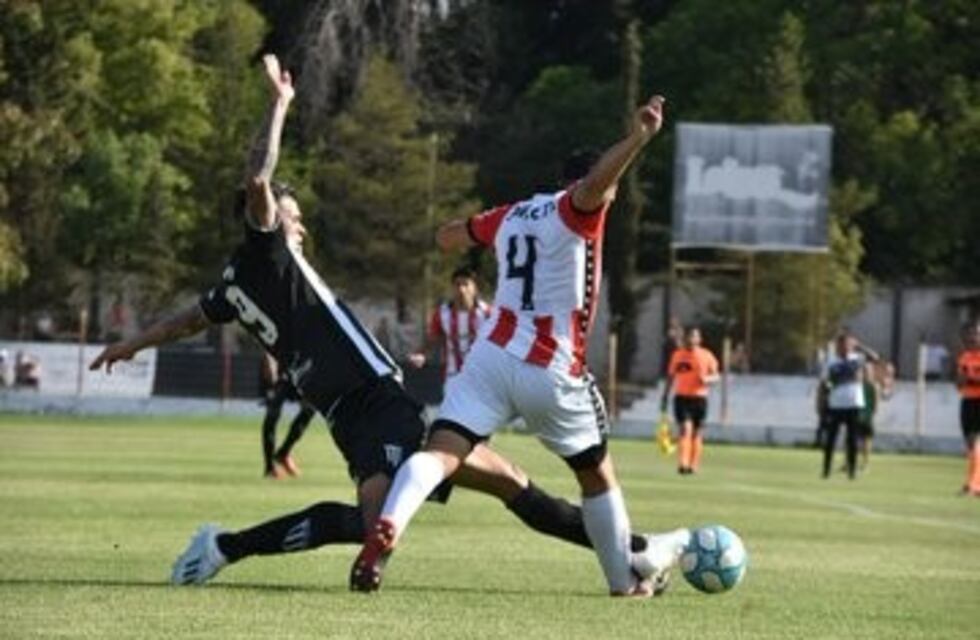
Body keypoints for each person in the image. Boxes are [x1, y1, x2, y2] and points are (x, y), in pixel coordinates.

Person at [89, 56, 683, 590]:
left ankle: (635, 551)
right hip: (376, 402)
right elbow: (259, 180)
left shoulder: (233, 285)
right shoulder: (268, 250)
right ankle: (224, 547)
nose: (299, 227)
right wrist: (278, 105)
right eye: (291, 218)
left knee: (510, 484)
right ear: (265, 219)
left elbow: (187, 320)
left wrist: (131, 343)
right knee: (415, 510)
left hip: (351, 411)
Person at [350, 93, 681, 598]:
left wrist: (457, 234)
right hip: (550, 367)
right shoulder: (579, 208)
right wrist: (638, 138)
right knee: (596, 476)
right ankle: (623, 582)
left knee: (441, 451)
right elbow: (595, 185)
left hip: (489, 359)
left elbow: (447, 238)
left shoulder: (513, 214)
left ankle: (390, 523)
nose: (610, 194)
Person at [407, 266, 492, 383]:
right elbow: (433, 339)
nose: (462, 289)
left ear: (475, 288)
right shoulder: (442, 313)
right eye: (457, 285)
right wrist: (421, 354)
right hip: (453, 375)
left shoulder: (488, 313)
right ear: (452, 288)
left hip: (482, 375)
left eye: (466, 284)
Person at [818, 330, 879, 479]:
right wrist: (821, 403)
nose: (844, 348)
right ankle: (826, 469)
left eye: (847, 345)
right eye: (842, 345)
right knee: (831, 439)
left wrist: (860, 346)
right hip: (836, 404)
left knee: (852, 439)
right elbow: (823, 383)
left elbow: (875, 357)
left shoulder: (857, 359)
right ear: (837, 346)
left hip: (854, 404)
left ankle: (851, 471)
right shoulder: (831, 362)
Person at [659, 327, 720, 475]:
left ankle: (694, 465)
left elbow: (717, 376)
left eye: (694, 336)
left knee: (697, 433)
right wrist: (665, 396)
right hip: (682, 398)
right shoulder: (678, 355)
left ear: (699, 339)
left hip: (700, 398)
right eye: (689, 336)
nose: (691, 339)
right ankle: (682, 463)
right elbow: (671, 377)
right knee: (685, 429)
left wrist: (707, 379)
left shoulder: (707, 356)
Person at [259, 353, 316, 479]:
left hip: (299, 370)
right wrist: (270, 364)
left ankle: (284, 452)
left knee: (310, 409)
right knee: (272, 414)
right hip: (280, 372)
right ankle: (269, 467)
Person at [956, 321, 980, 496]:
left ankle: (972, 484)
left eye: (974, 335)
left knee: (976, 442)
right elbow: (959, 383)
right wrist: (961, 381)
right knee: (970, 443)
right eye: (968, 335)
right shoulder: (964, 357)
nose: (971, 338)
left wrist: (970, 380)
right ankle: (973, 484)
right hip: (967, 401)